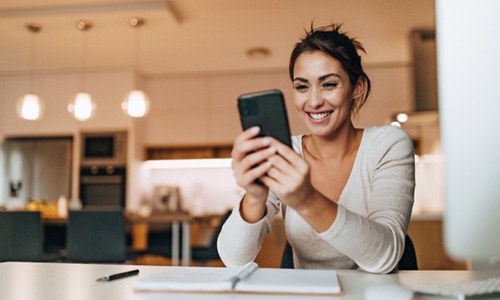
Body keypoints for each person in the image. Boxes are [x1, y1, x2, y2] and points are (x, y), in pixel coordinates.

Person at [217, 23, 415, 274]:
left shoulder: (388, 144)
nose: (313, 101)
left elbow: (385, 258)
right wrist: (255, 196)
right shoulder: (285, 152)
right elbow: (233, 260)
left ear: (358, 88)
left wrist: (306, 199)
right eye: (302, 86)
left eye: (329, 84)